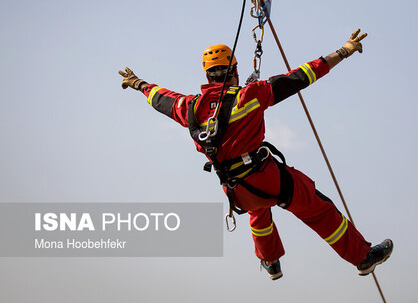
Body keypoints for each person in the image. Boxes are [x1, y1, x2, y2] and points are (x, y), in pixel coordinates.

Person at [118, 29, 392, 280]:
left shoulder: (189, 107)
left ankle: (270, 261)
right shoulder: (251, 95)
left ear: (207, 76)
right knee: (316, 206)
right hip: (264, 177)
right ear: (234, 70)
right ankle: (363, 257)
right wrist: (343, 51)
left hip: (234, 188)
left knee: (258, 210)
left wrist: (137, 83)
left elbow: (160, 98)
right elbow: (301, 76)